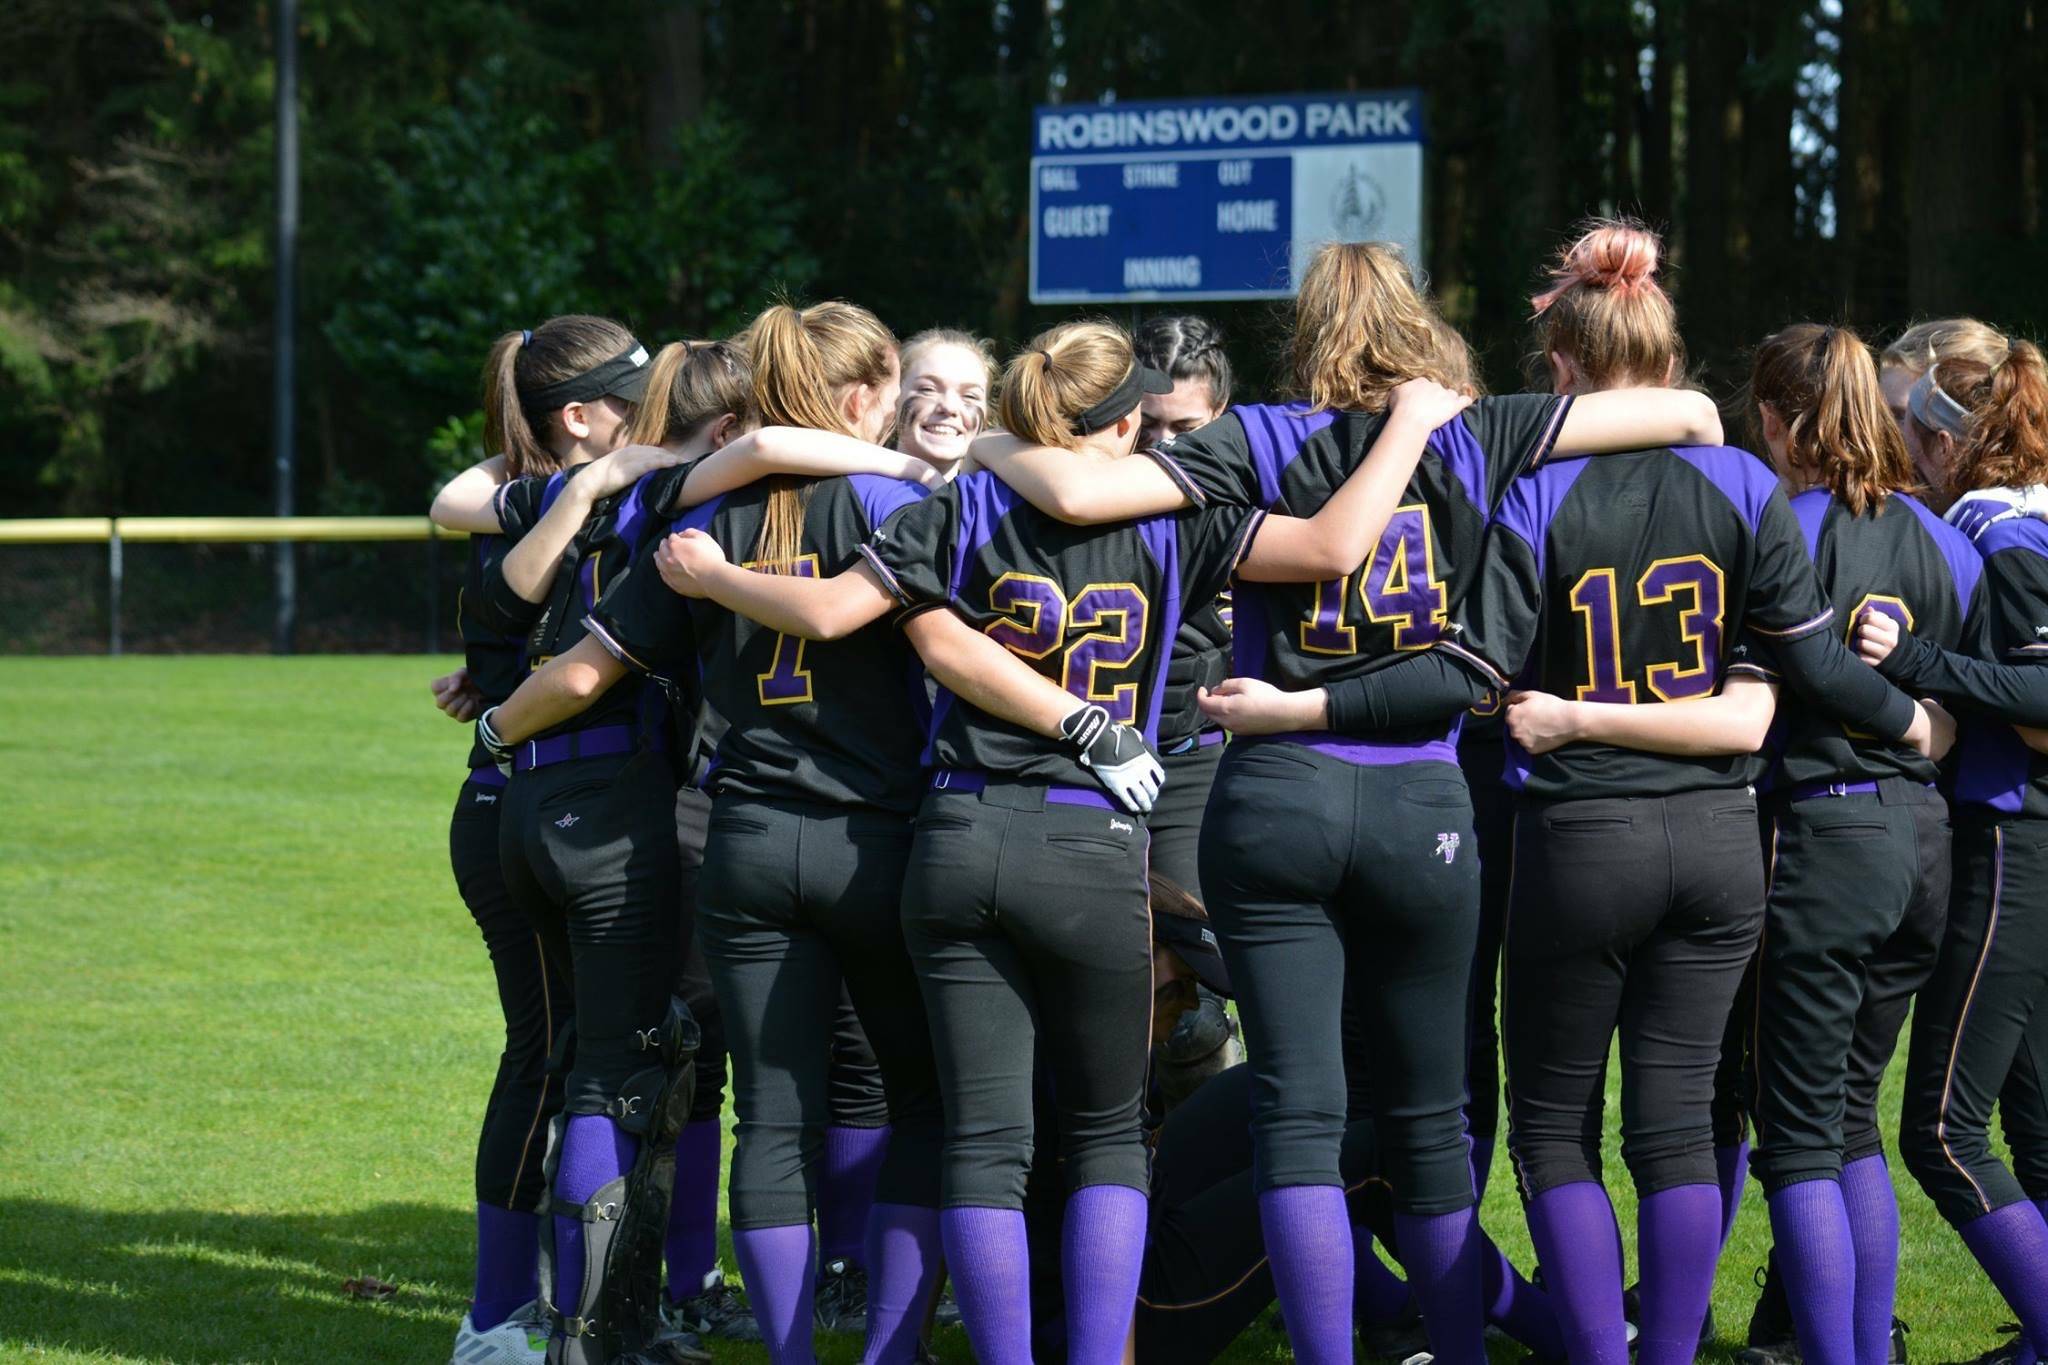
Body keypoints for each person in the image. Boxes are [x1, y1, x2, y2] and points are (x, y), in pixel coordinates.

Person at [653, 317, 1476, 1363]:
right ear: (1127, 418)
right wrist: (1406, 421)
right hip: (1090, 842)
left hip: (953, 832)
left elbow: (838, 611)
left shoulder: (960, 499)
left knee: (982, 1145)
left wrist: (721, 574)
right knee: (1103, 1140)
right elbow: (1328, 545)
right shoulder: (1180, 511)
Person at [969, 238, 1728, 1364]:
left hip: (1277, 797)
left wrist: (986, 438)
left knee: (1297, 1117)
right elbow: (1694, 420)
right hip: (1421, 797)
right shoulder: (1480, 429)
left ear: (1303, 332)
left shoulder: (1256, 438)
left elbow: (1079, 489)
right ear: (1417, 324)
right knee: (1429, 1116)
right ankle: (1459, 1349)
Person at [1194, 224, 1941, 1364]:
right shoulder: (1741, 478)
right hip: (1716, 831)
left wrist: (1322, 706)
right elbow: (1788, 662)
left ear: (1559, 367)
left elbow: (1476, 669)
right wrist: (1914, 716)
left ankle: (1571, 1347)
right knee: (1679, 1126)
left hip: (1567, 828)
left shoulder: (1527, 482)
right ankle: (1666, 1352)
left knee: (1543, 1129)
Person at [1854, 338, 2048, 1357]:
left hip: (2015, 843)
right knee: (2035, 1126)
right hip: (2025, 842)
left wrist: (1917, 660)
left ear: (1939, 437)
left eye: (1896, 422)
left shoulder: (1997, 529)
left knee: (1938, 1129)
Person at [892, 328, 996, 477]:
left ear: (987, 414)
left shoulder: (996, 497)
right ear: (894, 398)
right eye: (928, 389)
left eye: (970, 396)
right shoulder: (854, 491)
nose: (949, 407)